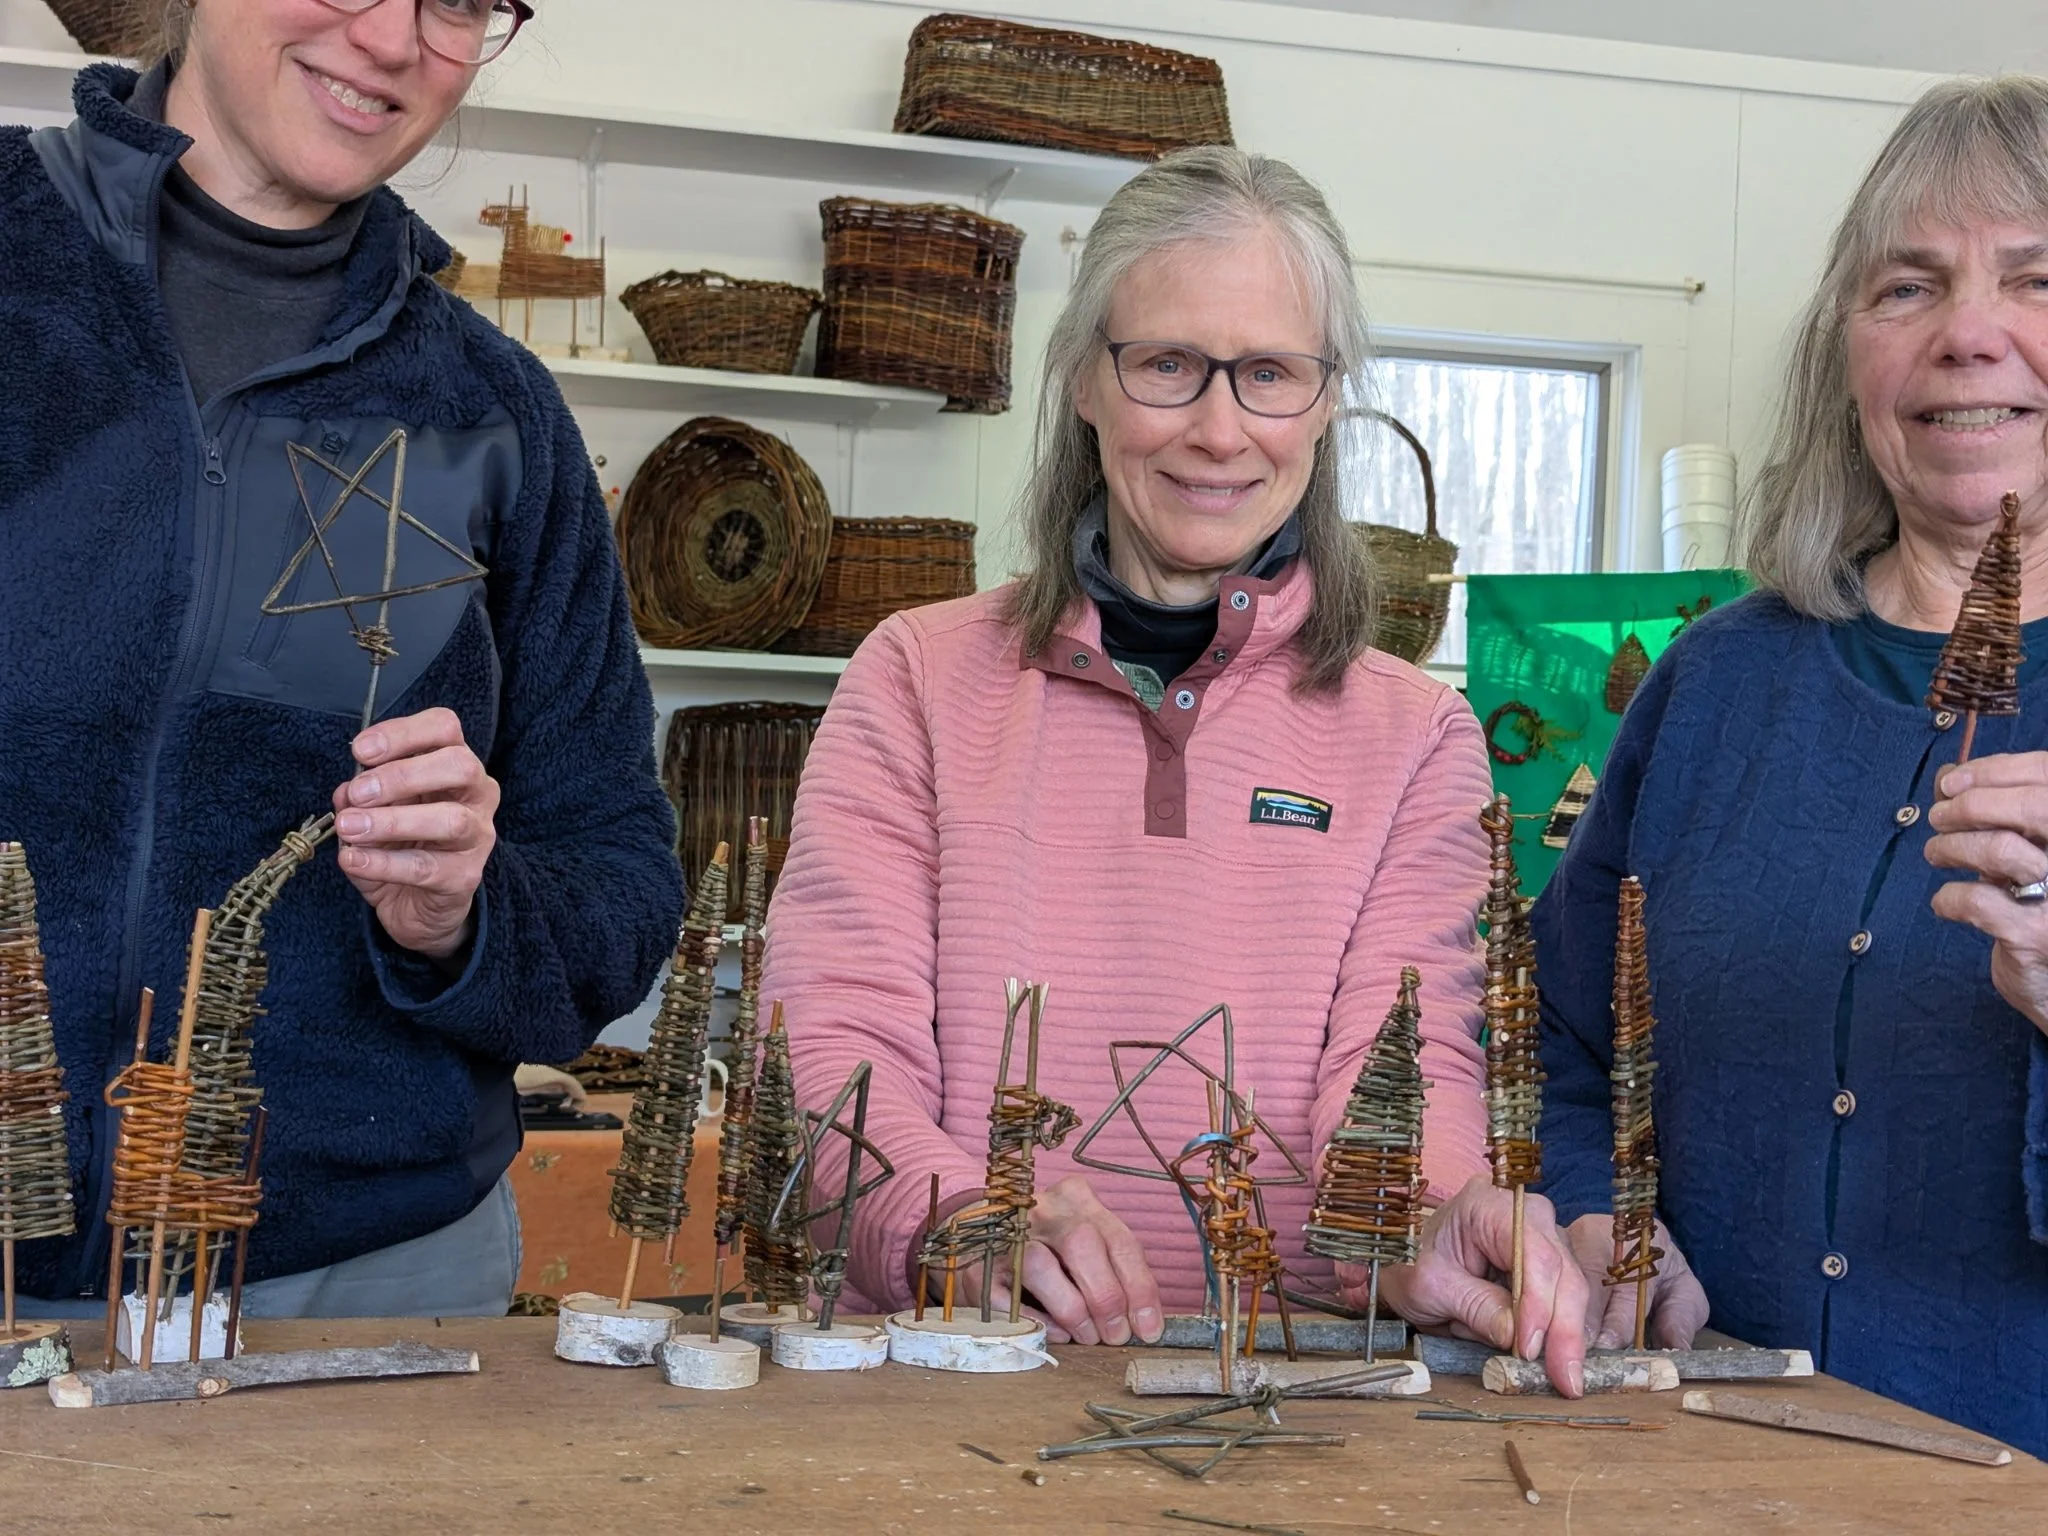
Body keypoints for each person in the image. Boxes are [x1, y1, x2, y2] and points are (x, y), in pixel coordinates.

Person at [762, 147, 1590, 1386]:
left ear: (1322, 402)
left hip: (1303, 1394)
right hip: (956, 1376)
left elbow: (1404, 1069)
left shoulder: (1416, 734)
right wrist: (954, 1219)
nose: (1217, 430)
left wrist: (1424, 1217)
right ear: (1084, 381)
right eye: (1165, 366)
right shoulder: (916, 678)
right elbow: (832, 1046)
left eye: (1268, 373)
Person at [0, 0, 681, 1318]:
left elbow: (616, 878)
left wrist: (463, 916)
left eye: (458, 0)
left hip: (360, 1280)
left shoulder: (492, 414)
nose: (390, 38)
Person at [1530, 77, 2048, 1455]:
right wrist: (1593, 1209)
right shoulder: (1716, 678)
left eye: (2037, 277)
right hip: (1695, 1468)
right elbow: (1552, 1030)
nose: (1969, 335)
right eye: (1907, 289)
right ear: (1846, 354)